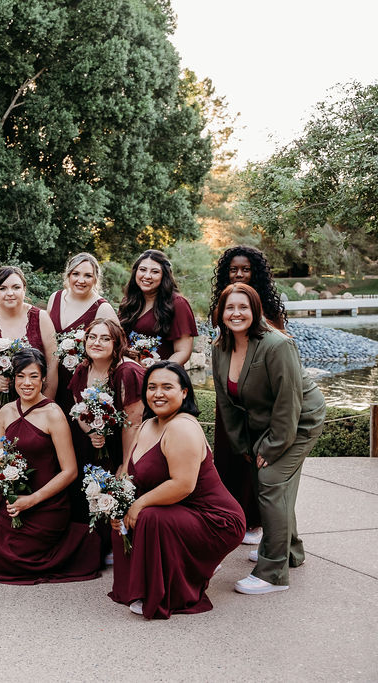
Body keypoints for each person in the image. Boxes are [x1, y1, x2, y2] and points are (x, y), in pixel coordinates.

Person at [0, 348, 101, 585]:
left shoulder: (53, 413)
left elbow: (70, 472)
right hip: (14, 503)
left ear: (43, 378)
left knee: (13, 555)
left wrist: (32, 500)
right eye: (21, 376)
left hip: (47, 507)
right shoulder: (5, 412)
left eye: (34, 376)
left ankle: (77, 543)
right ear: (13, 378)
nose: (27, 383)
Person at [212, 284, 325, 595]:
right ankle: (291, 551)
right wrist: (243, 445)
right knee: (270, 480)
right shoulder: (219, 347)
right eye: (229, 308)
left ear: (255, 310)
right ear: (220, 313)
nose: (236, 313)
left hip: (300, 420)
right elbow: (226, 403)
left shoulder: (277, 345)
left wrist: (274, 446)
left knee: (271, 480)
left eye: (243, 307)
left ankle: (272, 572)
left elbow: (289, 402)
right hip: (263, 423)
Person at [108, 362, 245, 619]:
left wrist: (138, 505)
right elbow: (129, 474)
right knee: (123, 519)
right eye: (151, 387)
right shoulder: (148, 424)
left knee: (148, 516)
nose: (158, 393)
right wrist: (119, 505)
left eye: (167, 387)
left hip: (215, 519)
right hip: (180, 509)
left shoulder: (182, 427)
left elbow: (183, 485)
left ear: (184, 392)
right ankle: (141, 585)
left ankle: (167, 590)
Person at [208, 246, 287, 548]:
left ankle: (257, 522)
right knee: (229, 458)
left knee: (259, 460)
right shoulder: (223, 305)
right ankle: (232, 517)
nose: (239, 274)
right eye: (233, 269)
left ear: (256, 272)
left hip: (258, 397)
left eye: (246, 269)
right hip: (229, 394)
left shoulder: (269, 309)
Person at [0, 266, 58, 504]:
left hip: (35, 402)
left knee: (31, 460)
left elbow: (53, 363)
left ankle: (28, 506)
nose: (10, 293)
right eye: (3, 288)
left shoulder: (41, 317)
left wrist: (46, 405)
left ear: (24, 290)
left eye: (16, 287)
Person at [67, 318, 145, 561]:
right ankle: (96, 541)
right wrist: (91, 432)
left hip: (125, 443)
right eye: (92, 337)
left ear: (116, 342)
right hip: (93, 442)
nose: (96, 343)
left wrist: (125, 464)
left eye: (104, 338)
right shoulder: (82, 369)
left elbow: (134, 423)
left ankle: (123, 542)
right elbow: (77, 408)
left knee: (119, 485)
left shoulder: (127, 371)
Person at [47, 253, 118, 413]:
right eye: (76, 274)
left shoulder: (102, 308)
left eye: (88, 275)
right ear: (68, 275)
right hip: (52, 377)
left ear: (95, 279)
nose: (81, 280)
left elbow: (118, 346)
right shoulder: (55, 298)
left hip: (82, 382)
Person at [118, 249, 197, 366]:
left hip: (160, 378)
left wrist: (157, 371)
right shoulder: (128, 302)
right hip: (128, 372)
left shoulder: (177, 303)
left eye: (155, 272)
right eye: (142, 270)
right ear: (135, 272)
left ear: (164, 275)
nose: (147, 276)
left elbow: (183, 351)